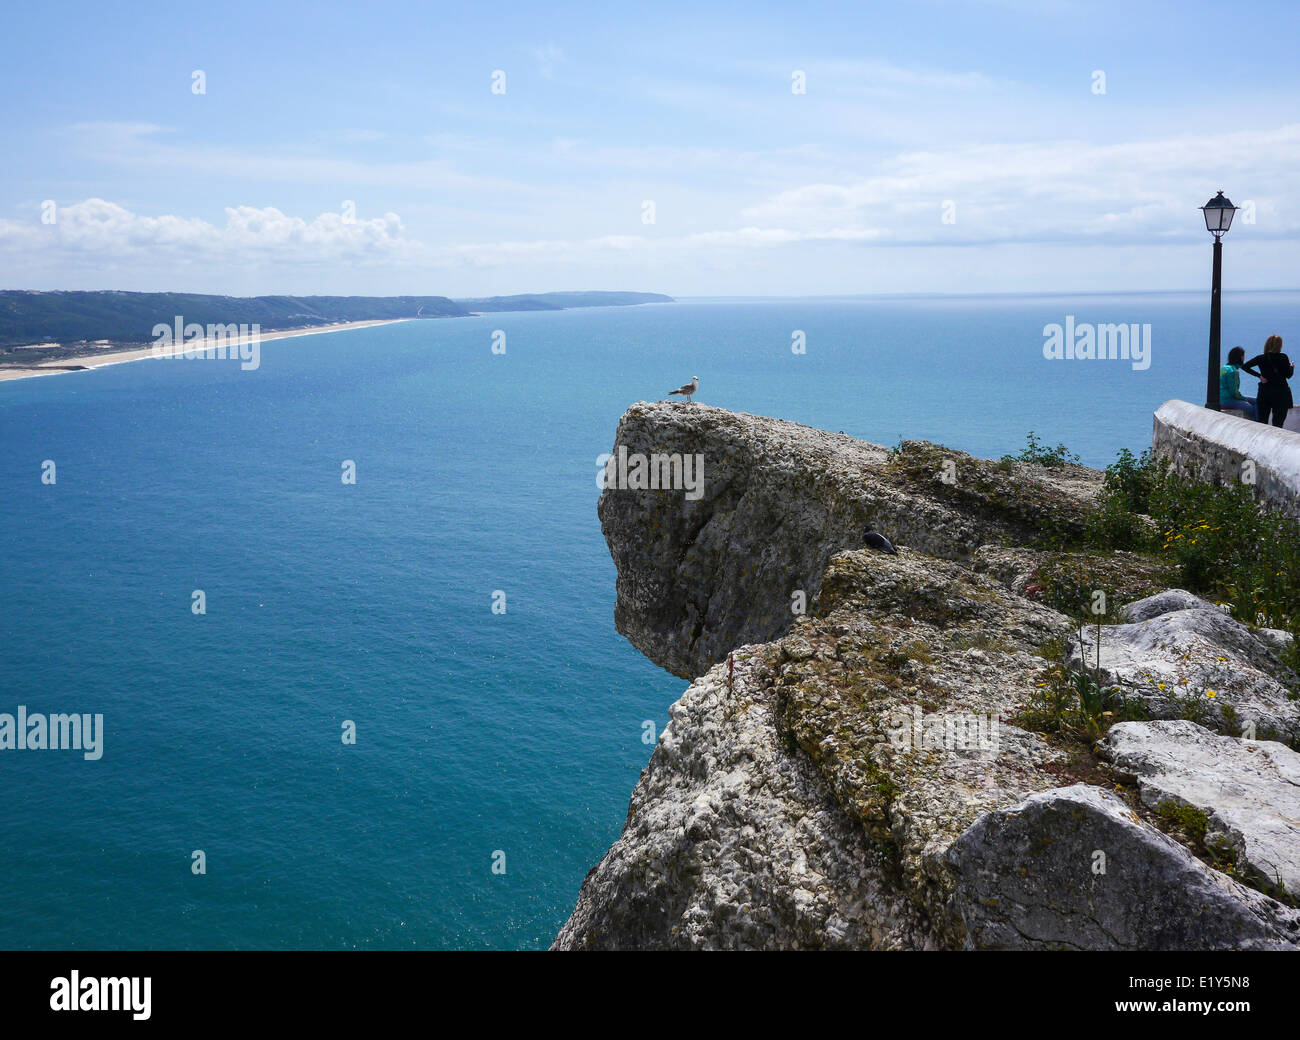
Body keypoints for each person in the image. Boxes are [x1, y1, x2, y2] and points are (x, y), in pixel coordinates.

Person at [1243, 335, 1294, 427]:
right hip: (1280, 392)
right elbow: (1288, 375)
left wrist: (1259, 376)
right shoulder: (1283, 357)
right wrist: (1291, 367)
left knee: (1262, 422)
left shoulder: (1261, 358)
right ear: (1279, 346)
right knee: (1278, 423)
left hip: (1265, 391)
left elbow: (1245, 366)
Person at [1219, 346, 1256, 420]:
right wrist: (1244, 399)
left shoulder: (1223, 368)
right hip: (1228, 400)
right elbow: (1234, 392)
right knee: (1252, 408)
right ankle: (1258, 424)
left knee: (1256, 400)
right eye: (1243, 356)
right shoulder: (1233, 371)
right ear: (1241, 357)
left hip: (1221, 399)